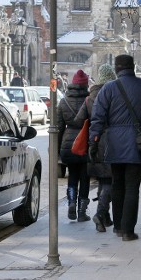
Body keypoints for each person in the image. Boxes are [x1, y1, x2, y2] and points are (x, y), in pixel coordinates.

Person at [89, 55, 141, 241]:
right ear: (133, 67)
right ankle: (128, 230)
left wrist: (94, 140)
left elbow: (97, 117)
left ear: (117, 69)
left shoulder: (108, 89)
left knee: (117, 185)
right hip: (138, 143)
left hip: (114, 143)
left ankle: (118, 226)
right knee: (132, 186)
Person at [73, 63, 116, 232]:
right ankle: (101, 213)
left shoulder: (90, 96)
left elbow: (78, 119)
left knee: (103, 178)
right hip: (111, 140)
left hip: (94, 141)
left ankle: (105, 218)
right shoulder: (114, 93)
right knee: (110, 179)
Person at [57, 69, 91, 222]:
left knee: (72, 176)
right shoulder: (89, 101)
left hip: (68, 144)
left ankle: (71, 202)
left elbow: (58, 128)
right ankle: (82, 211)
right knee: (85, 177)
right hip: (85, 143)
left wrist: (58, 150)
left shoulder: (63, 102)